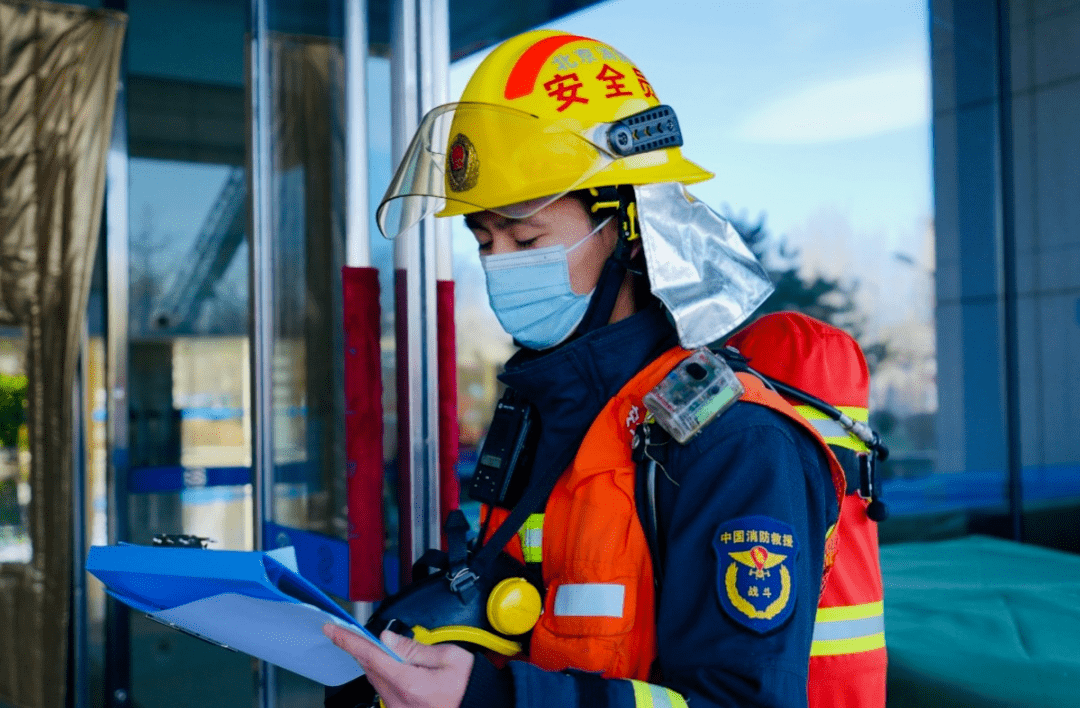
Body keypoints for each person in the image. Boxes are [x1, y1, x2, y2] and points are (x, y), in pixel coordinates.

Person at [324, 29, 877, 708]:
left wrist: (495, 702)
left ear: (627, 228)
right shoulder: (550, 415)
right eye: (485, 241)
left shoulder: (735, 444)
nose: (502, 265)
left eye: (526, 238)